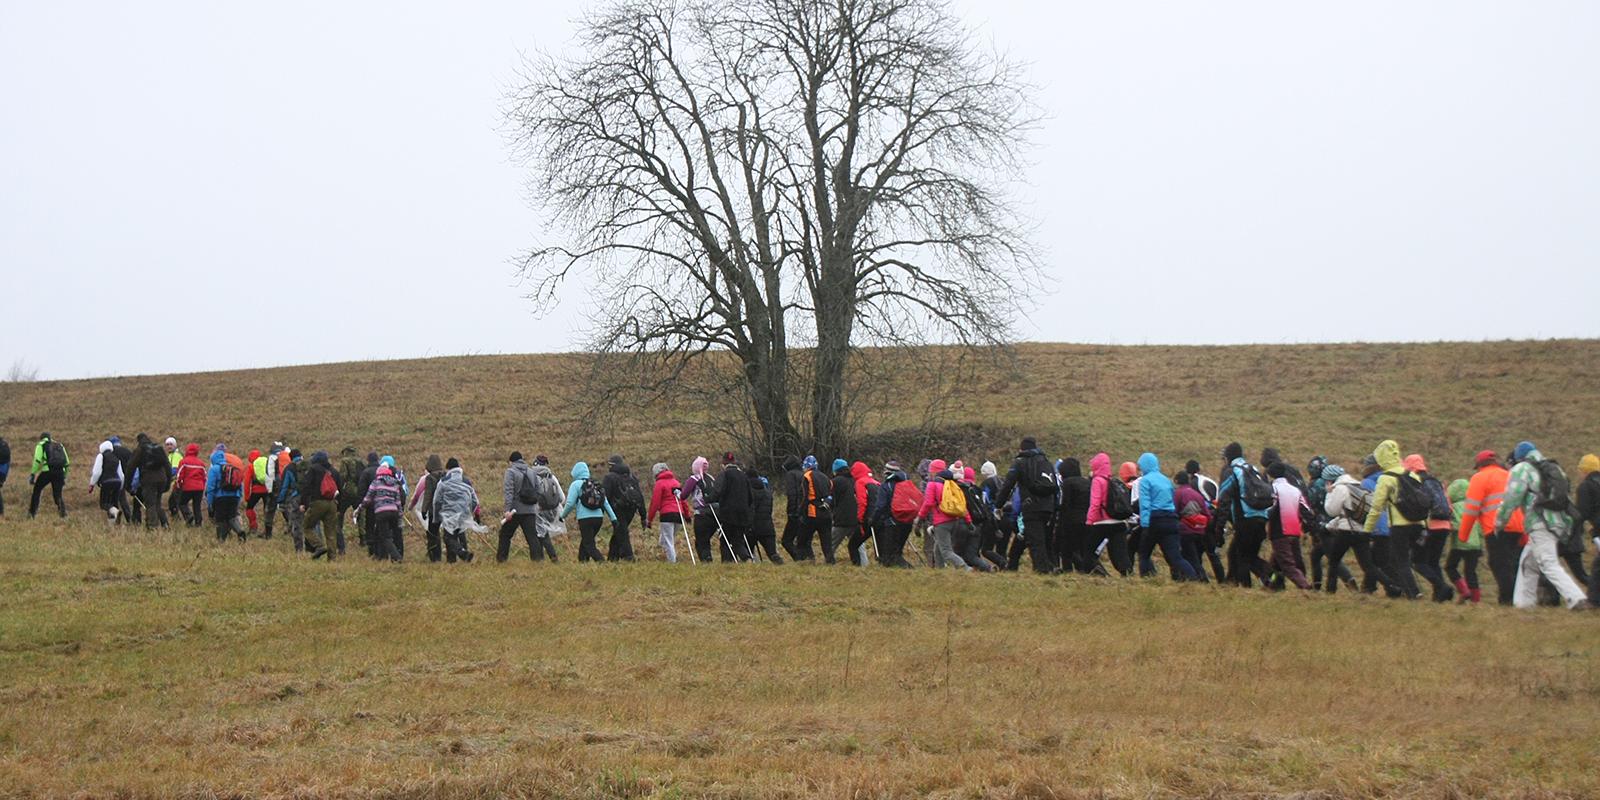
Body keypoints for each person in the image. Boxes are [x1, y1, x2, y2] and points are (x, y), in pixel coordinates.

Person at [1497, 441, 1590, 610]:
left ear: (1519, 457)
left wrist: (1499, 523)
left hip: (1539, 522)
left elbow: (1511, 499)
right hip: (1558, 523)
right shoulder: (1554, 469)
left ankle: (1576, 599)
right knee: (1528, 562)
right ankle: (1524, 604)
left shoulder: (1522, 469)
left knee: (1548, 563)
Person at [1322, 464, 1401, 596]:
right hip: (1362, 530)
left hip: (1346, 531)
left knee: (1334, 560)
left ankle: (1330, 590)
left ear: (1330, 480)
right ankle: (1392, 586)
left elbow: (1331, 510)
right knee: (1368, 566)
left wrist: (1329, 493)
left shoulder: (1340, 488)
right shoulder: (1358, 485)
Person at [1362, 440, 1423, 600]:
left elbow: (1376, 508)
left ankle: (1412, 593)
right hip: (1418, 524)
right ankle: (1414, 590)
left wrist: (1366, 530)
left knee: (1399, 561)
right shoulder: (1412, 474)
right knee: (1407, 560)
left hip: (1399, 524)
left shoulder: (1386, 478)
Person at [1459, 450, 1521, 606]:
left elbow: (1471, 509)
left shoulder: (1479, 478)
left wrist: (1463, 535)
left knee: (1499, 564)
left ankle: (1507, 601)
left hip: (1496, 528)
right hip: (1518, 527)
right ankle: (1518, 598)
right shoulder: (1509, 475)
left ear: (1479, 465)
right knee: (1513, 565)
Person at [995, 437, 1059, 574]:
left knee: (1036, 541)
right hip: (1049, 507)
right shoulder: (1046, 461)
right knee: (1046, 540)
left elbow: (1008, 484)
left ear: (1021, 448)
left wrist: (998, 504)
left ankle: (1042, 571)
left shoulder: (1020, 462)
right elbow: (1056, 486)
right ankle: (1052, 567)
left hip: (1031, 506)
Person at [1134, 453, 1197, 581]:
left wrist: (1145, 525)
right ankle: (1193, 578)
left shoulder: (1145, 481)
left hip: (1155, 519)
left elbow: (1145, 504)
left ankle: (1149, 579)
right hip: (1171, 519)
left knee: (1144, 554)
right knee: (1175, 557)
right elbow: (1172, 500)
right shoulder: (1165, 480)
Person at [1217, 442, 1272, 587]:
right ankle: (1233, 583)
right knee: (1241, 554)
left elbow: (1223, 500)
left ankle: (1246, 587)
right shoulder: (1252, 469)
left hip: (1245, 519)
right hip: (1261, 517)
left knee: (1241, 557)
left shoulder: (1232, 471)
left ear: (1228, 457)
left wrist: (1219, 526)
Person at [1407, 454, 1457, 602]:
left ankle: (1442, 587)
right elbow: (1448, 506)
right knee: (1433, 562)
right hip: (1444, 526)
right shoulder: (1436, 482)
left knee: (1418, 561)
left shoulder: (1416, 482)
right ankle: (1440, 595)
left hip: (1429, 526)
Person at [1265, 461, 1312, 589]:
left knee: (1287, 565)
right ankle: (1270, 585)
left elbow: (1270, 509)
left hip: (1279, 531)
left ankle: (1305, 586)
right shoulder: (1295, 490)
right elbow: (1306, 510)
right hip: (1295, 530)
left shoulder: (1273, 489)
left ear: (1271, 475)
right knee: (1276, 563)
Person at [917, 459, 970, 570]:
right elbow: (961, 504)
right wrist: (968, 520)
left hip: (941, 522)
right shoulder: (952, 484)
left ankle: (965, 568)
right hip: (954, 520)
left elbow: (928, 503)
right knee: (938, 548)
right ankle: (939, 571)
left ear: (934, 471)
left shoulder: (932, 484)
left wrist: (920, 518)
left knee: (946, 551)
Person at [560, 460, 617, 563]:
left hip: (585, 519)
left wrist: (562, 516)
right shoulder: (595, 484)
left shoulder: (576, 485)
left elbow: (569, 504)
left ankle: (601, 562)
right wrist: (613, 519)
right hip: (598, 518)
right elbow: (605, 503)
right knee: (586, 541)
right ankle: (582, 561)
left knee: (589, 544)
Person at [705, 453, 755, 562]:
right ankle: (746, 558)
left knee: (725, 539)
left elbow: (717, 491)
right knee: (738, 539)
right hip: (743, 514)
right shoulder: (744, 476)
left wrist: (707, 499)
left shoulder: (725, 475)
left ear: (723, 462)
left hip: (728, 514)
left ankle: (728, 562)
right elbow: (751, 497)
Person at [1085, 452, 1130, 576]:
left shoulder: (1097, 481)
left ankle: (1100, 574)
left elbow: (1095, 503)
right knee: (1119, 553)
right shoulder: (1112, 481)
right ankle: (1127, 576)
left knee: (1088, 551)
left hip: (1102, 523)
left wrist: (1089, 521)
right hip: (1118, 521)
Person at [498, 452, 547, 562]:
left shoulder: (510, 472)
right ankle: (538, 561)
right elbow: (540, 490)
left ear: (511, 461)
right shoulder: (531, 472)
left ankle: (501, 560)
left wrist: (507, 510)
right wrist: (534, 503)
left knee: (505, 535)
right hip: (530, 510)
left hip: (515, 510)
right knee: (532, 537)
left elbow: (508, 492)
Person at [431, 461, 483, 563]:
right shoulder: (466, 481)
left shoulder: (443, 481)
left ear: (448, 469)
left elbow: (436, 501)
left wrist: (436, 517)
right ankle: (454, 561)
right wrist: (470, 513)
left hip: (449, 514)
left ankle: (462, 554)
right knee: (459, 534)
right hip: (463, 514)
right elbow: (475, 501)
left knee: (448, 537)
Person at [1444, 478, 1481, 604]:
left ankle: (1464, 590)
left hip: (1460, 543)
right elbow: (1480, 527)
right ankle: (1475, 600)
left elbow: (1458, 524)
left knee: (1450, 567)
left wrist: (1450, 526)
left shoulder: (1454, 507)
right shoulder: (1474, 505)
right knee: (1471, 572)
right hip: (1475, 545)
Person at [299, 451, 341, 559]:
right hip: (332, 504)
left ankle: (319, 546)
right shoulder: (334, 471)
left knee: (307, 526)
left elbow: (306, 486)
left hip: (318, 503)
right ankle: (332, 557)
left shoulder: (313, 469)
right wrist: (339, 506)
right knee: (331, 532)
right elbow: (340, 489)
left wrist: (303, 503)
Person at [600, 455, 643, 562]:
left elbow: (604, 496)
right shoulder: (631, 477)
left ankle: (629, 557)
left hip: (617, 509)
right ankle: (612, 558)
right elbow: (640, 496)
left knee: (622, 533)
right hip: (631, 509)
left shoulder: (609, 478)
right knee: (619, 532)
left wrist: (602, 510)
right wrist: (643, 515)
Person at [361, 463, 405, 561]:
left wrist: (360, 508)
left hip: (381, 512)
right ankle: (386, 557)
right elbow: (398, 502)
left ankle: (396, 557)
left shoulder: (376, 482)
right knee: (394, 534)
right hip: (394, 511)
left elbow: (367, 499)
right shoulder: (395, 483)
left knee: (385, 537)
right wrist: (400, 516)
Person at [876, 461, 916, 568]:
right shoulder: (908, 483)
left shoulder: (886, 486)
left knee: (889, 554)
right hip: (908, 522)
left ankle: (901, 570)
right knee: (897, 552)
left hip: (892, 522)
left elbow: (881, 506)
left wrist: (875, 519)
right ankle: (905, 570)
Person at [1172, 470, 1212, 581]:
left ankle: (1201, 578)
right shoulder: (1197, 494)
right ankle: (1195, 577)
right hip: (1200, 531)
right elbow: (1207, 514)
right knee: (1196, 557)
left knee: (1189, 557)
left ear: (1177, 481)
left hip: (1186, 531)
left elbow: (1174, 511)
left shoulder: (1178, 493)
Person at [1056, 458, 1092, 574]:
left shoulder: (1068, 483)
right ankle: (1084, 570)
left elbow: (1065, 504)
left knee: (1066, 549)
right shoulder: (1087, 482)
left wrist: (1060, 522)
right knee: (1082, 548)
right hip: (1087, 520)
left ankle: (1068, 571)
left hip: (1071, 520)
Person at [646, 462, 686, 563]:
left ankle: (672, 562)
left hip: (667, 515)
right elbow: (682, 499)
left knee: (668, 541)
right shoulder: (676, 482)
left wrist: (649, 519)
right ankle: (670, 559)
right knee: (665, 539)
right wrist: (687, 514)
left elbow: (655, 503)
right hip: (679, 515)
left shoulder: (659, 484)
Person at [204, 445, 246, 542]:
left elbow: (210, 488)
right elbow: (240, 484)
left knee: (220, 519)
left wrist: (210, 502)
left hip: (221, 497)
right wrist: (239, 496)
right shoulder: (232, 467)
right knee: (232, 517)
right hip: (234, 497)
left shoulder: (214, 469)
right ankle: (240, 531)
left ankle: (221, 539)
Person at [409, 455, 447, 561]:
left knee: (432, 534)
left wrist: (424, 510)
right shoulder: (445, 476)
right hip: (445, 509)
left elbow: (428, 496)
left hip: (433, 511)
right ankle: (448, 557)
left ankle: (434, 557)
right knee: (445, 534)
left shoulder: (429, 478)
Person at [128, 433, 170, 529]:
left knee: (150, 504)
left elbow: (130, 468)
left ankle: (152, 527)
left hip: (149, 479)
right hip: (162, 478)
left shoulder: (140, 450)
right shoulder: (158, 448)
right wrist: (167, 482)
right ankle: (165, 524)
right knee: (157, 503)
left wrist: (128, 485)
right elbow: (167, 465)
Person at [527, 455, 564, 561]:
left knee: (540, 533)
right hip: (551, 511)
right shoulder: (551, 477)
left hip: (536, 509)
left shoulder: (531, 476)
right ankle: (544, 557)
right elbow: (562, 498)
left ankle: (549, 556)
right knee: (542, 532)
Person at [799, 456, 833, 562]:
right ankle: (830, 561)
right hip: (826, 512)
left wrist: (801, 511)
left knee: (804, 539)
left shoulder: (807, 476)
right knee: (826, 541)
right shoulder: (826, 477)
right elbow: (830, 493)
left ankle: (808, 560)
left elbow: (805, 496)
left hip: (813, 512)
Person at [1577, 454, 1600, 604]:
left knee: (1598, 567)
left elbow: (1582, 512)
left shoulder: (1586, 486)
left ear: (1585, 470)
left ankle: (1594, 600)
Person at [847, 461, 880, 566]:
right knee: (881, 548)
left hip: (867, 520)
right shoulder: (876, 482)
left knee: (852, 545)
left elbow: (862, 502)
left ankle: (856, 567)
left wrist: (860, 519)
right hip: (879, 519)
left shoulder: (860, 482)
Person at [747, 468, 784, 563]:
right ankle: (781, 566)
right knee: (772, 553)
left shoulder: (748, 492)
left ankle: (751, 567)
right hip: (767, 527)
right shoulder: (767, 493)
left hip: (751, 527)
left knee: (748, 553)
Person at [29, 432, 70, 518]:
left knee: (37, 490)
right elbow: (67, 462)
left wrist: (33, 473)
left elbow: (37, 460)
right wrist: (65, 475)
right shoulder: (59, 445)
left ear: (41, 438)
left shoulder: (41, 445)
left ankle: (32, 513)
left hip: (47, 471)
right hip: (60, 472)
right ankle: (63, 514)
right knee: (58, 494)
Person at [827, 458, 858, 565]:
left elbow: (830, 499)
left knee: (830, 543)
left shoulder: (835, 482)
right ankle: (863, 564)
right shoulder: (854, 480)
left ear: (835, 470)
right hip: (855, 518)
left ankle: (829, 563)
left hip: (841, 519)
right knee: (858, 544)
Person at [335, 446, 365, 554]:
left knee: (339, 512)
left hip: (348, 491)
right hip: (360, 491)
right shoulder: (361, 461)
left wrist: (340, 490)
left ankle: (338, 534)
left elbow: (342, 476)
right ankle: (363, 538)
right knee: (361, 514)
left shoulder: (345, 461)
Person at [88, 439, 125, 524]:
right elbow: (121, 475)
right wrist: (121, 486)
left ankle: (115, 513)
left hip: (106, 482)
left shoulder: (101, 456)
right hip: (117, 482)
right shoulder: (116, 458)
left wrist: (92, 484)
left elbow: (97, 472)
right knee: (114, 503)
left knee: (104, 503)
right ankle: (114, 524)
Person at [275, 449, 305, 550]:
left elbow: (284, 486)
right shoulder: (309, 465)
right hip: (309, 496)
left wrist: (280, 500)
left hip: (295, 497)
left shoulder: (289, 468)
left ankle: (299, 549)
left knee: (296, 523)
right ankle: (315, 545)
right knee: (312, 523)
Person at [173, 444, 208, 527]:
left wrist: (178, 485)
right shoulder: (201, 463)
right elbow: (205, 476)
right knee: (197, 506)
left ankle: (188, 516)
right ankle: (198, 523)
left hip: (187, 487)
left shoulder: (184, 462)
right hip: (199, 488)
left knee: (182, 503)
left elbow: (179, 475)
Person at [780, 456, 805, 561]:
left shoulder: (790, 475)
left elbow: (792, 494)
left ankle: (799, 559)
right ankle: (806, 559)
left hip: (795, 511)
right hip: (805, 511)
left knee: (786, 540)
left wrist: (791, 511)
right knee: (802, 539)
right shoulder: (804, 474)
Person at [355, 452, 381, 548]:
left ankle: (372, 548)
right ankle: (380, 545)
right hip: (383, 503)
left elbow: (361, 489)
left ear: (368, 460)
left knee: (370, 525)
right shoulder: (383, 470)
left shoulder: (366, 472)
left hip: (371, 503)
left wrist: (360, 504)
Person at [0, 435, 9, 517]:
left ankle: (1, 511)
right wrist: (4, 477)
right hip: (3, 472)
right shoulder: (5, 445)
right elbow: (8, 462)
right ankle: (1, 512)